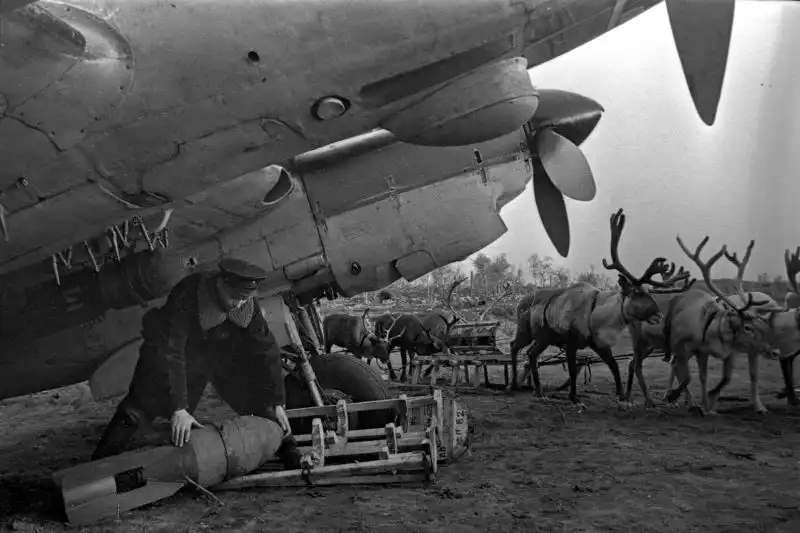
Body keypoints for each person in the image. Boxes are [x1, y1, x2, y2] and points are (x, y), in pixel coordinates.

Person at [92, 258, 302, 469]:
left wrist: (276, 401)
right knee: (136, 410)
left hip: (217, 356)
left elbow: (266, 350)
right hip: (166, 353)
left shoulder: (245, 304)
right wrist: (179, 408)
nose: (238, 304)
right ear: (221, 284)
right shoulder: (188, 294)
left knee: (262, 402)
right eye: (233, 297)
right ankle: (97, 466)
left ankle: (291, 453)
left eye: (243, 299)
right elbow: (171, 353)